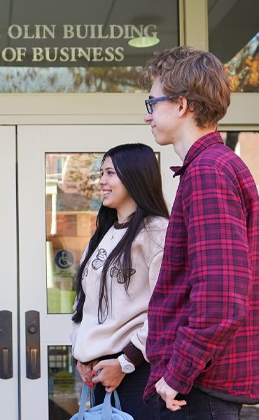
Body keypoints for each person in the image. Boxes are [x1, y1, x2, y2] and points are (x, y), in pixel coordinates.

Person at [140, 46, 259, 418]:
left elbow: (222, 298)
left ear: (181, 105)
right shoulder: (212, 166)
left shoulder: (209, 170)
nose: (147, 117)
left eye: (152, 104)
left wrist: (176, 374)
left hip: (200, 389)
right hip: (202, 385)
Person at [71, 143, 169, 419]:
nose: (101, 181)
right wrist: (83, 353)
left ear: (135, 176)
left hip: (137, 375)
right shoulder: (102, 233)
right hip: (102, 375)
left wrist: (126, 361)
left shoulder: (157, 231)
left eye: (110, 173)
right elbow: (84, 302)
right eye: (102, 173)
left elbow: (165, 308)